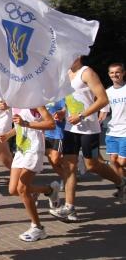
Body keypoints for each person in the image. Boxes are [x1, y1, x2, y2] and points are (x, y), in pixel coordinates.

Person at [50, 56, 126, 221]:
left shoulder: (87, 73)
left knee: (92, 165)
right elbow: (71, 99)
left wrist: (82, 115)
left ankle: (120, 182)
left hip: (89, 129)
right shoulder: (65, 74)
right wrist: (64, 111)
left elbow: (103, 99)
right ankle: (69, 207)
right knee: (69, 166)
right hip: (71, 128)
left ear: (78, 55)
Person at [0, 107, 59, 241]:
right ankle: (49, 190)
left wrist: (26, 123)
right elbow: (19, 126)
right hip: (21, 150)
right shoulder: (15, 103)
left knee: (22, 188)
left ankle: (38, 228)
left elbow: (50, 124)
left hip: (34, 149)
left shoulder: (35, 102)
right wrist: (9, 134)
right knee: (13, 189)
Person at [101, 63, 126, 184]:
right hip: (112, 130)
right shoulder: (107, 92)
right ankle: (122, 183)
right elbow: (104, 111)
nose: (114, 75)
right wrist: (97, 122)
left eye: (117, 72)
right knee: (113, 161)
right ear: (109, 74)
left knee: (122, 162)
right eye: (112, 72)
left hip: (125, 131)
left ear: (123, 73)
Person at [44, 99, 66, 191]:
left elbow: (67, 110)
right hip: (45, 132)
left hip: (58, 133)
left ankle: (73, 164)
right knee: (53, 162)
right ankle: (67, 178)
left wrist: (61, 113)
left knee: (55, 159)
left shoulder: (61, 96)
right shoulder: (42, 97)